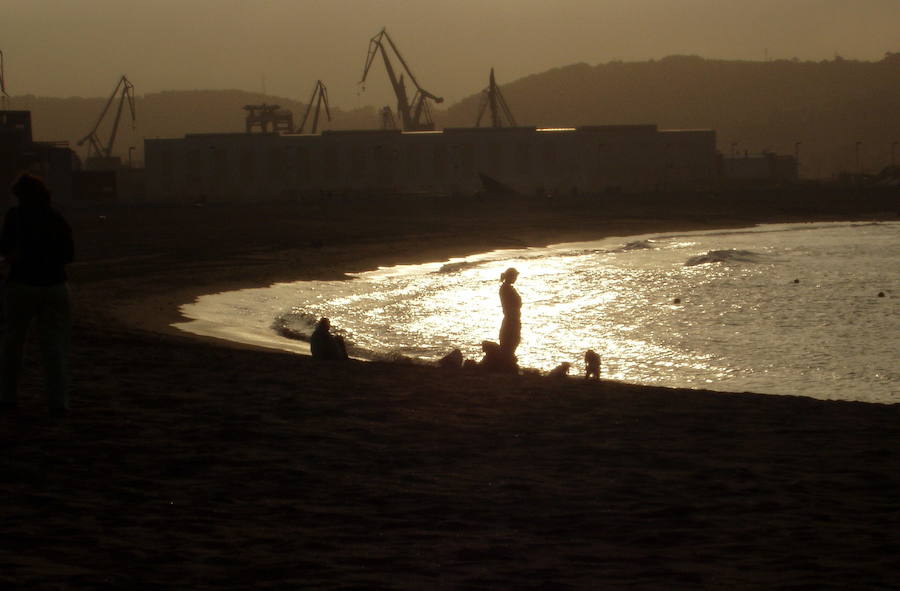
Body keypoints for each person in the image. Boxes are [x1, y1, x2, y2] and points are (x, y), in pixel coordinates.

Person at [0, 173, 74, 416]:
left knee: (13, 344)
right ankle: (58, 402)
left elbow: (4, 248)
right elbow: (68, 255)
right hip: (54, 286)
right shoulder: (56, 218)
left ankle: (8, 397)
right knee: (54, 347)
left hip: (21, 285)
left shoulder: (14, 217)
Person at [498, 267, 521, 360]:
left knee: (513, 341)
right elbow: (510, 305)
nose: (516, 278)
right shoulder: (506, 289)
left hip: (512, 318)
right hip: (511, 319)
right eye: (515, 276)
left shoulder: (507, 288)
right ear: (510, 277)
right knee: (511, 341)